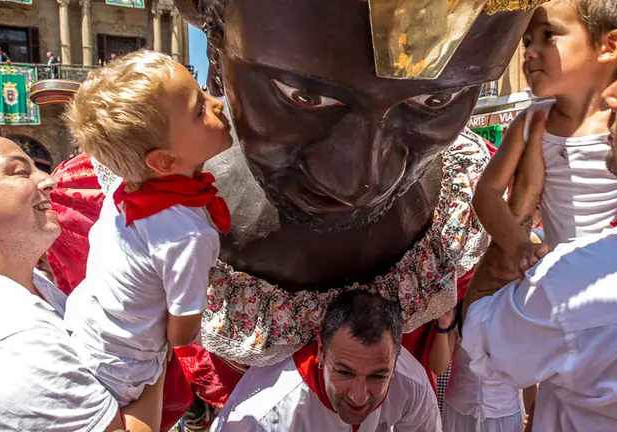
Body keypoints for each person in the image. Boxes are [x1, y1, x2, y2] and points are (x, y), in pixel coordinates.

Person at [38, 0, 547, 427]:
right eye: (305, 96)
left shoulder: (467, 200)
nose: (361, 181)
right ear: (217, 50)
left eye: (437, 100)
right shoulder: (108, 212)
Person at [462, 0, 617, 430]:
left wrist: (522, 211)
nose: (613, 96)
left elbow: (489, 341)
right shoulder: (536, 122)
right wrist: (522, 243)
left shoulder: (580, 285)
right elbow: (486, 193)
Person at [0, 121, 165, 431]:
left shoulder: (32, 286)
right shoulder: (9, 341)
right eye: (19, 172)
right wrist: (151, 330)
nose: (48, 180)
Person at [63, 49, 232, 409]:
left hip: (84, 328)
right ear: (165, 160)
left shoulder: (126, 191)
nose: (216, 102)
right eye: (199, 109)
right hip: (124, 368)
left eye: (204, 90)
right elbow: (182, 332)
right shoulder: (188, 236)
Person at [473, 0, 617, 276]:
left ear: (609, 45)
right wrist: (519, 246)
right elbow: (487, 193)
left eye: (548, 35)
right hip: (565, 278)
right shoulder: (530, 122)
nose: (529, 53)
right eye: (526, 42)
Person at [212, 290, 442, 431]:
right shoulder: (265, 417)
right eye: (344, 372)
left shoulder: (412, 383)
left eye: (378, 376)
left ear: (397, 357)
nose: (359, 396)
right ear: (321, 351)